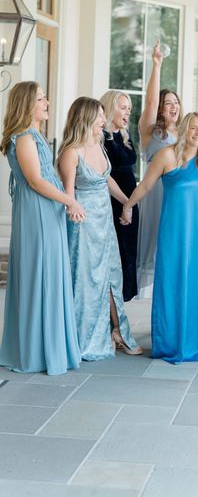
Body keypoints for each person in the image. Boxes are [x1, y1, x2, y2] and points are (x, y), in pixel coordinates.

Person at [0, 82, 83, 375]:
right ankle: (37, 351)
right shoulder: (23, 137)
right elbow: (35, 180)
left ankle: (49, 345)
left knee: (50, 273)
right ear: (27, 105)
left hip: (47, 209)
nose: (47, 102)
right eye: (40, 98)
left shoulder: (34, 135)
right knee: (40, 274)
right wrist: (69, 201)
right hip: (37, 211)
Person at [121, 112, 198, 364]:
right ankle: (170, 341)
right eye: (194, 128)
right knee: (173, 281)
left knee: (195, 283)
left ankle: (194, 340)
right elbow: (146, 185)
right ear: (185, 128)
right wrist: (128, 205)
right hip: (175, 231)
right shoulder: (167, 155)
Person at [58, 97, 142, 360]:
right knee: (86, 282)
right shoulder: (71, 152)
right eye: (98, 116)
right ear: (85, 119)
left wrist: (127, 203)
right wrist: (74, 210)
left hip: (104, 222)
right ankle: (84, 338)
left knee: (111, 277)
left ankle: (118, 331)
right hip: (83, 226)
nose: (103, 121)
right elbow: (68, 196)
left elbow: (107, 182)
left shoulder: (99, 146)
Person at [136, 42, 181, 297]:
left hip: (177, 196)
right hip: (154, 193)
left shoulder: (183, 132)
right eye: (167, 103)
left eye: (176, 102)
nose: (173, 106)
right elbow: (151, 100)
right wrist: (156, 65)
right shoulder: (151, 131)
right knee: (154, 242)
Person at [100, 90, 138, 302]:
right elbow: (105, 177)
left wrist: (131, 204)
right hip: (114, 203)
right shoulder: (100, 138)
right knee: (116, 255)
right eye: (122, 108)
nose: (127, 113)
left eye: (129, 109)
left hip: (130, 204)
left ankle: (120, 311)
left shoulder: (125, 136)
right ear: (109, 108)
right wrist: (126, 203)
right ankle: (111, 313)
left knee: (128, 255)